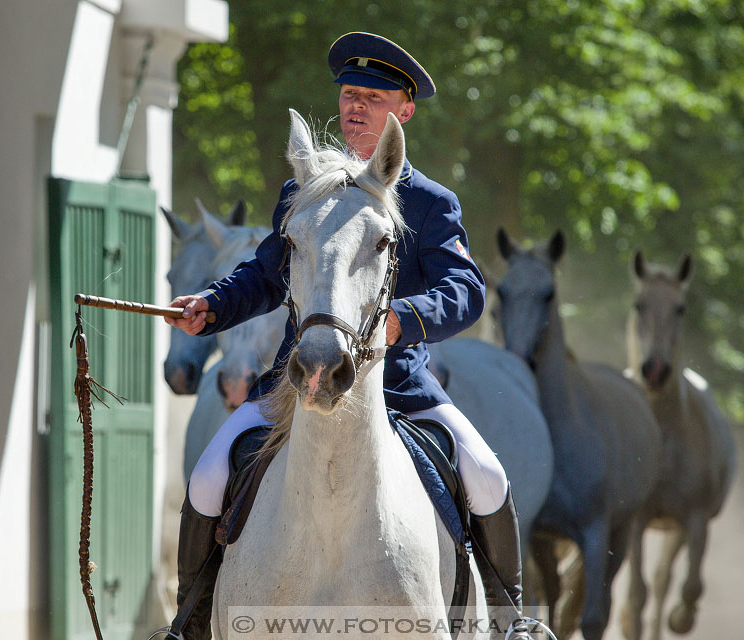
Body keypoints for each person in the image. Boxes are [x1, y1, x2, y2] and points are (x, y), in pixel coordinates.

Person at [166, 32, 531, 639]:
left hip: (399, 388)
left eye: (373, 97)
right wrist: (212, 304)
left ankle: (513, 622)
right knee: (207, 476)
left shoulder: (431, 203)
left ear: (403, 113)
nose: (355, 107)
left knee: (488, 476)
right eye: (349, 95)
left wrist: (402, 319)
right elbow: (262, 275)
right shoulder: (302, 193)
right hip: (295, 381)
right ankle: (191, 622)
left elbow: (466, 291)